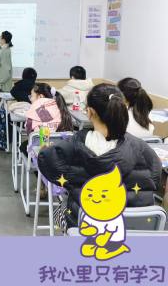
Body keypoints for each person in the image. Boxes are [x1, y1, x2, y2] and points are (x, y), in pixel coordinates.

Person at [38, 83, 162, 230]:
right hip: (136, 229)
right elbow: (155, 178)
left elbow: (46, 160)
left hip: (85, 228)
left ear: (89, 112)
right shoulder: (145, 151)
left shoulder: (71, 147)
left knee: (60, 209)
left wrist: (44, 149)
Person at [20, 83, 73, 155]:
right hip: (62, 152)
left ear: (41, 96)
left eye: (31, 96)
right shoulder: (60, 106)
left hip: (42, 153)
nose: (30, 99)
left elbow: (29, 133)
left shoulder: (36, 109)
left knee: (23, 146)